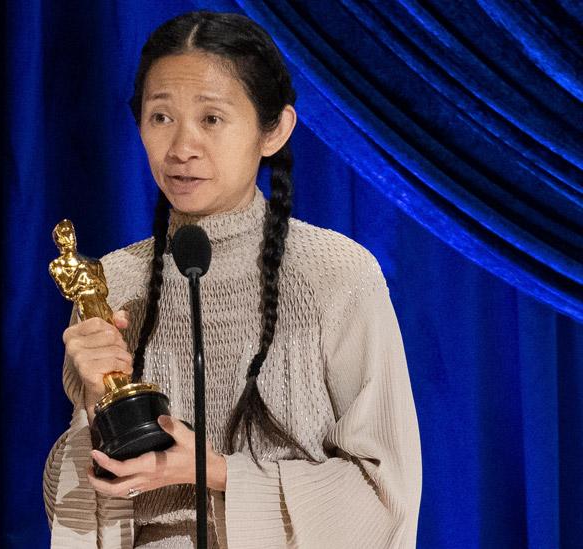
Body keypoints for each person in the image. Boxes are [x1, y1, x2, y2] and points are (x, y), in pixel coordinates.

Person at [43, 11, 421, 548]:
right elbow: (75, 513)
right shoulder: (111, 284)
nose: (182, 147)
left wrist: (216, 472)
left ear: (275, 130)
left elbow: (386, 498)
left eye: (212, 119)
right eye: (160, 117)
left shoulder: (338, 275)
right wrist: (89, 410)